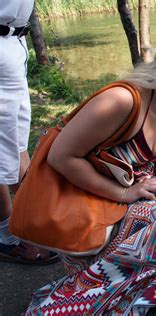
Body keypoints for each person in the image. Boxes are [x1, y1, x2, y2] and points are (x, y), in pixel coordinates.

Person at [26, 22, 156, 314]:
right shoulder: (122, 100)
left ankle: (143, 289)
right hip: (81, 208)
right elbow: (60, 157)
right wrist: (125, 192)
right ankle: (84, 290)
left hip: (118, 203)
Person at [0, 0, 58, 264]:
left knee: (18, 147)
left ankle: (33, 230)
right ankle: (10, 238)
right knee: (3, 153)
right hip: (3, 44)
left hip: (15, 43)